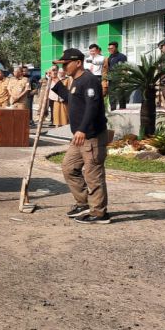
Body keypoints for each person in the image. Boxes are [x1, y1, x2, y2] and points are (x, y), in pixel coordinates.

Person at [50, 48, 111, 224]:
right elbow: (70, 98)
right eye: (62, 65)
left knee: (93, 175)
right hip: (79, 138)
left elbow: (92, 106)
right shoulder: (75, 81)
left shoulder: (89, 80)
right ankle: (84, 202)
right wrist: (55, 82)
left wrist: (82, 129)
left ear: (78, 63)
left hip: (90, 136)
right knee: (69, 168)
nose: (64, 68)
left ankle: (99, 213)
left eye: (66, 64)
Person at [106, 41, 128, 110]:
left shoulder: (122, 56)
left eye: (111, 48)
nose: (110, 50)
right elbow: (109, 68)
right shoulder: (110, 57)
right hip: (111, 78)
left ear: (116, 48)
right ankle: (113, 109)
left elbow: (124, 68)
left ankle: (122, 108)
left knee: (120, 94)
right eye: (109, 49)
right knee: (111, 94)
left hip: (119, 78)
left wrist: (123, 79)